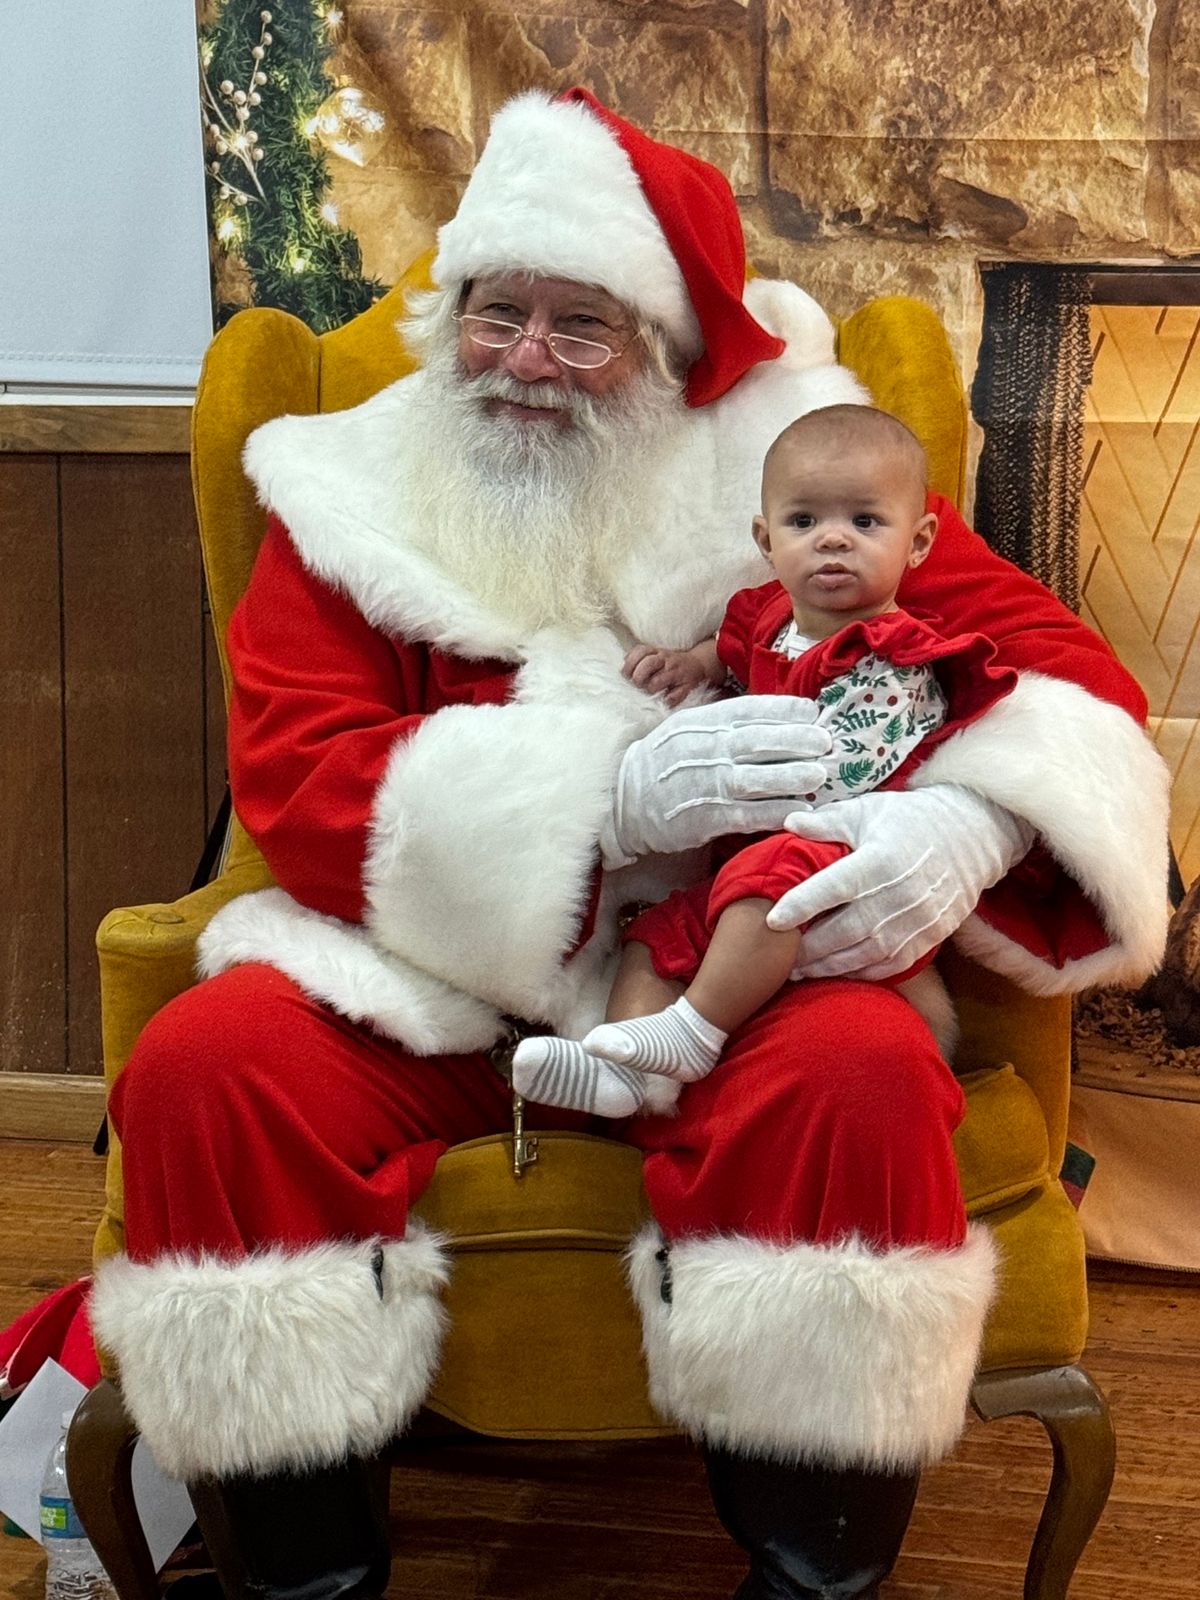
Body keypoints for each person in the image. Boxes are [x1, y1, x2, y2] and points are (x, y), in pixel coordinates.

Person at [84, 87, 1169, 1600]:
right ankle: (302, 1581)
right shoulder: (345, 496)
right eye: (498, 312)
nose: (528, 359)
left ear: (663, 351)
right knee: (210, 1071)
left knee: (862, 1078)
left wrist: (964, 821)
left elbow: (1061, 675)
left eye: (581, 325)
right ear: (452, 311)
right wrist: (605, 807)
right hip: (429, 979)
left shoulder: (792, 468)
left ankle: (811, 1578)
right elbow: (302, 775)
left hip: (739, 973)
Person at [512, 402, 1019, 1118]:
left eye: (865, 522)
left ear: (919, 540)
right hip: (741, 869)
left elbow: (847, 771)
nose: (833, 541)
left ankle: (694, 1032)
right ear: (766, 538)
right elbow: (731, 644)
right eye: (805, 522)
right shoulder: (768, 616)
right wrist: (689, 664)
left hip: (840, 853)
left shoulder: (897, 654)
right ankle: (625, 1073)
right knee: (655, 935)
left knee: (762, 885)